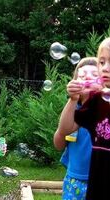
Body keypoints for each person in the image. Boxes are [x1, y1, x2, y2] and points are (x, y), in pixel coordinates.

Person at [56, 37, 110, 199]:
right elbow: (65, 130)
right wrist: (73, 99)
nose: (105, 68)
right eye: (102, 62)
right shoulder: (97, 106)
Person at [54, 57, 99, 200]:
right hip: (75, 181)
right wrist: (73, 99)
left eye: (95, 75)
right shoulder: (73, 110)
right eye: (82, 75)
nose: (88, 78)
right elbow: (59, 143)